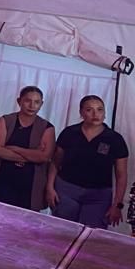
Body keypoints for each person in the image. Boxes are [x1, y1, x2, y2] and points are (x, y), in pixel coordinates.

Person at [48, 95, 129, 228]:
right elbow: (55, 163)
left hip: (99, 196)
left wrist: (117, 205)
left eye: (100, 110)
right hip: (67, 190)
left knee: (93, 233)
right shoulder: (69, 133)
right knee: (62, 229)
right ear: (81, 113)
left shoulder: (115, 139)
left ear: (105, 113)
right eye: (89, 110)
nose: (95, 114)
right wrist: (50, 188)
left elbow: (121, 176)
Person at [0, 85, 54, 209]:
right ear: (19, 101)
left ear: (41, 104)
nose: (32, 105)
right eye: (28, 101)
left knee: (26, 219)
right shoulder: (5, 120)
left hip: (31, 184)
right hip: (3, 179)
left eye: (37, 102)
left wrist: (14, 148)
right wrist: (33, 155)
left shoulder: (47, 127)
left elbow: (44, 157)